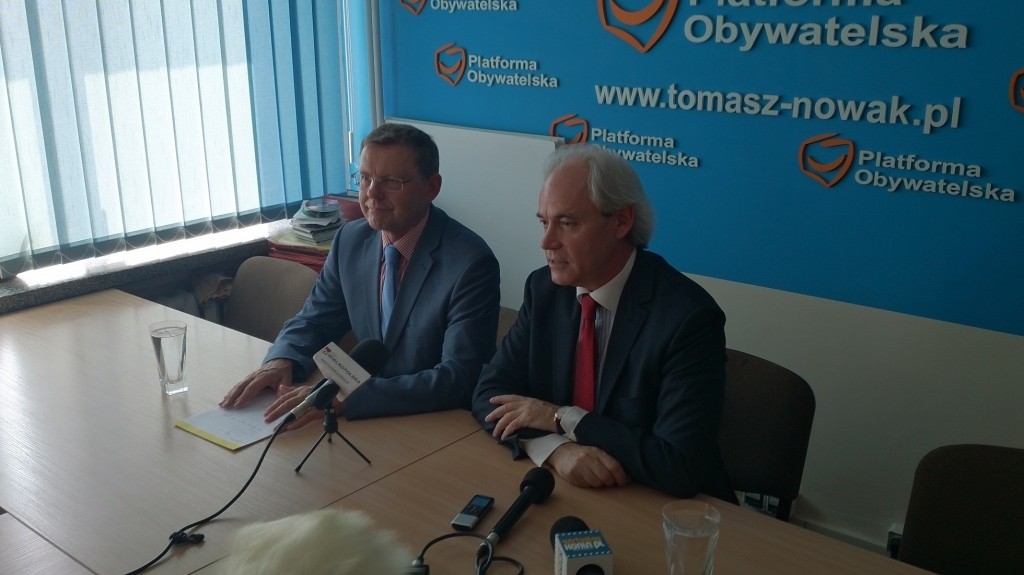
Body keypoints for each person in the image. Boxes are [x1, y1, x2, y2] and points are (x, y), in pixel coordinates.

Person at [471, 144, 736, 502]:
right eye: (544, 222)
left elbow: (678, 465)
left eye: (567, 223)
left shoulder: (687, 318)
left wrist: (561, 418)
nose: (546, 241)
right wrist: (555, 449)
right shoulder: (544, 289)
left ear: (622, 221)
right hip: (573, 491)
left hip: (664, 507)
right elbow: (490, 394)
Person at [221, 123, 500, 426]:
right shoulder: (350, 241)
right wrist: (281, 360)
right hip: (362, 423)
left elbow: (459, 377)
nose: (372, 195)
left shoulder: (470, 263)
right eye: (366, 178)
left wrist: (345, 398)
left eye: (391, 182)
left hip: (433, 424)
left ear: (431, 187)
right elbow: (315, 320)